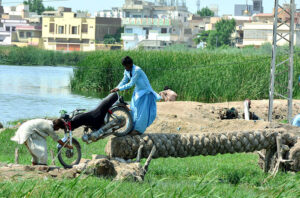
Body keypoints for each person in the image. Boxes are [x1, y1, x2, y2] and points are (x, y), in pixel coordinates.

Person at [110, 56, 161, 135]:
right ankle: (132, 127)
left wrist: (119, 89)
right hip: (137, 92)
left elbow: (131, 84)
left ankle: (138, 130)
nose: (125, 68)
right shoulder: (126, 70)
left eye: (126, 66)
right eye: (124, 66)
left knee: (142, 113)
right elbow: (124, 81)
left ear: (131, 64)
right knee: (133, 110)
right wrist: (116, 87)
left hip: (145, 92)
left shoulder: (137, 70)